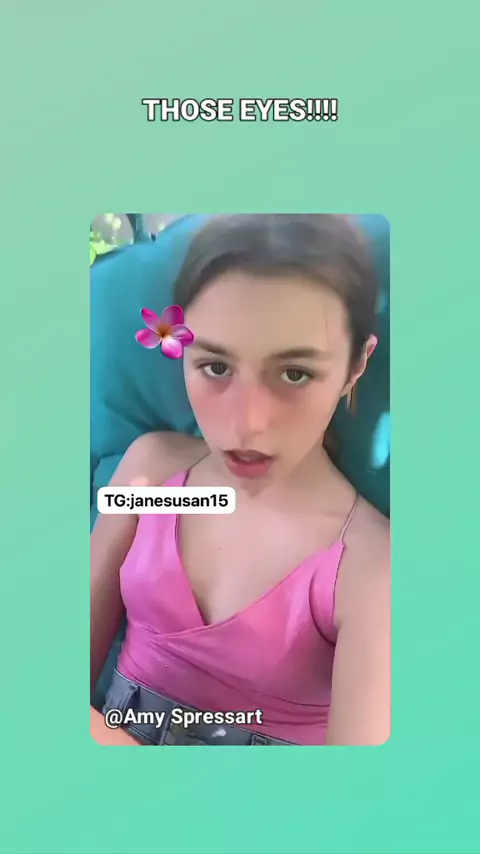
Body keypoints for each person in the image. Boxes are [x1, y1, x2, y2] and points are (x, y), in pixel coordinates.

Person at [90, 214, 391, 746]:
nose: (246, 424)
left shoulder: (370, 568)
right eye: (215, 367)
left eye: (295, 373)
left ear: (355, 366)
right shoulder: (149, 475)